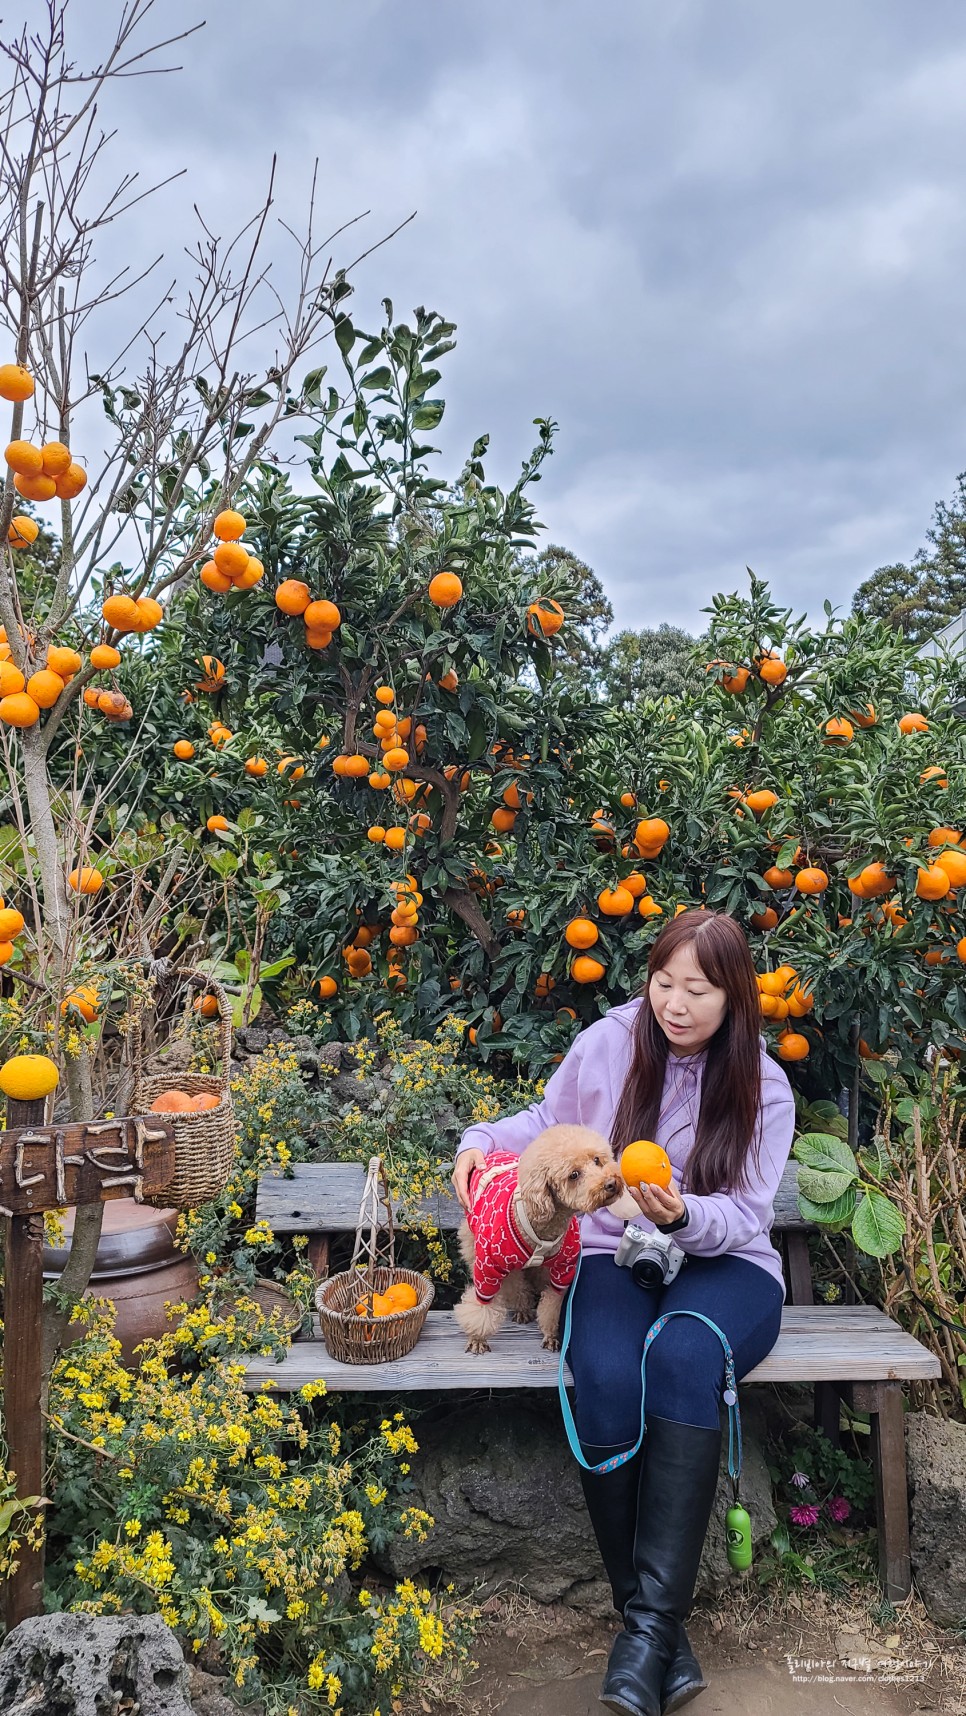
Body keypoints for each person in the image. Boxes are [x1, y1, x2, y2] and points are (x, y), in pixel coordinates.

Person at [452, 910, 795, 1716]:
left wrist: (681, 1218)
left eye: (699, 990)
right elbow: (545, 1123)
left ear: (735, 996)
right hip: (612, 1254)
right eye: (664, 984)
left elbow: (746, 1213)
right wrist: (477, 1141)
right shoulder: (609, 1042)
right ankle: (657, 1632)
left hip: (726, 1265)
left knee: (680, 1358)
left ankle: (643, 1635)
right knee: (603, 1377)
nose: (676, 1005)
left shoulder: (763, 1084)